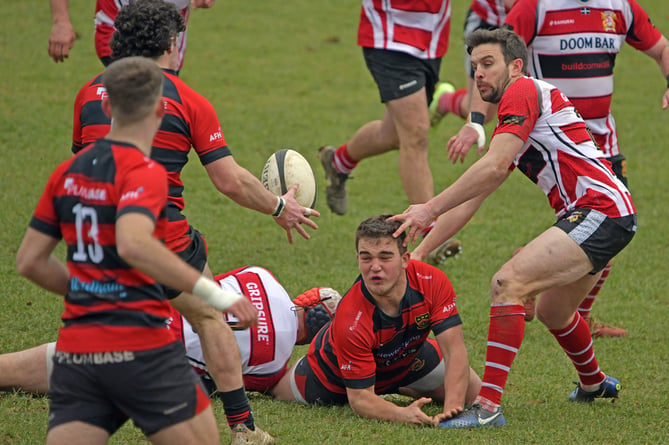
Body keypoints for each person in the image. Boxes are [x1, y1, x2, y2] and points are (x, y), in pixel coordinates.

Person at [70, 1, 317, 442]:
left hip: (93, 240)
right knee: (209, 317)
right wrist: (280, 208)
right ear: (170, 43)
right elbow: (229, 181)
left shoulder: (88, 93)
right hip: (161, 239)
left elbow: (81, 170)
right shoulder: (186, 100)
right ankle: (244, 428)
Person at [391, 28, 636, 428]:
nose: (479, 75)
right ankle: (593, 385)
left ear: (516, 65)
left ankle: (487, 410)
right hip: (600, 213)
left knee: (507, 283)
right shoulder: (515, 112)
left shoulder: (522, 91)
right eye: (474, 68)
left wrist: (427, 208)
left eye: (488, 64)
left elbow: (488, 169)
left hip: (600, 210)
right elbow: (476, 196)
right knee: (554, 311)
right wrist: (419, 250)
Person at [14, 56, 257, 445]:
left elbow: (28, 261)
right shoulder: (145, 173)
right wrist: (216, 294)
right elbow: (134, 243)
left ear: (106, 106)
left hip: (80, 352)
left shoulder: (67, 172)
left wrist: (85, 290)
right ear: (160, 109)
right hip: (141, 350)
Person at [419, 0, 669, 336]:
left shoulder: (620, 7)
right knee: (598, 227)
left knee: (606, 233)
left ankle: (571, 309)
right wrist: (476, 120)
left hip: (598, 143)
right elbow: (495, 63)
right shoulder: (534, 8)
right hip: (534, 127)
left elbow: (662, 48)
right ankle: (559, 303)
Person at [0, 266, 341, 399]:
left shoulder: (263, 275)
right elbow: (239, 382)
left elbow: (210, 280)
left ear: (307, 297)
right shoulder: (275, 364)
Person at [272, 215, 481, 426]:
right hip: (330, 378)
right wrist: (403, 414)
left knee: (474, 391)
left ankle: (401, 385)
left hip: (405, 358)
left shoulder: (432, 282)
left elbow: (454, 351)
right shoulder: (351, 318)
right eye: (366, 258)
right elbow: (360, 399)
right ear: (358, 260)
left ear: (405, 260)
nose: (375, 267)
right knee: (275, 390)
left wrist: (452, 410)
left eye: (385, 257)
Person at [317, 0, 453, 217]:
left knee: (392, 135)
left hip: (431, 37)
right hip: (389, 34)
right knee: (415, 135)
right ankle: (430, 231)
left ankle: (338, 162)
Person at [48, 0, 215, 69]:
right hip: (118, 24)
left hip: (168, 34)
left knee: (164, 102)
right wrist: (60, 21)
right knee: (132, 94)